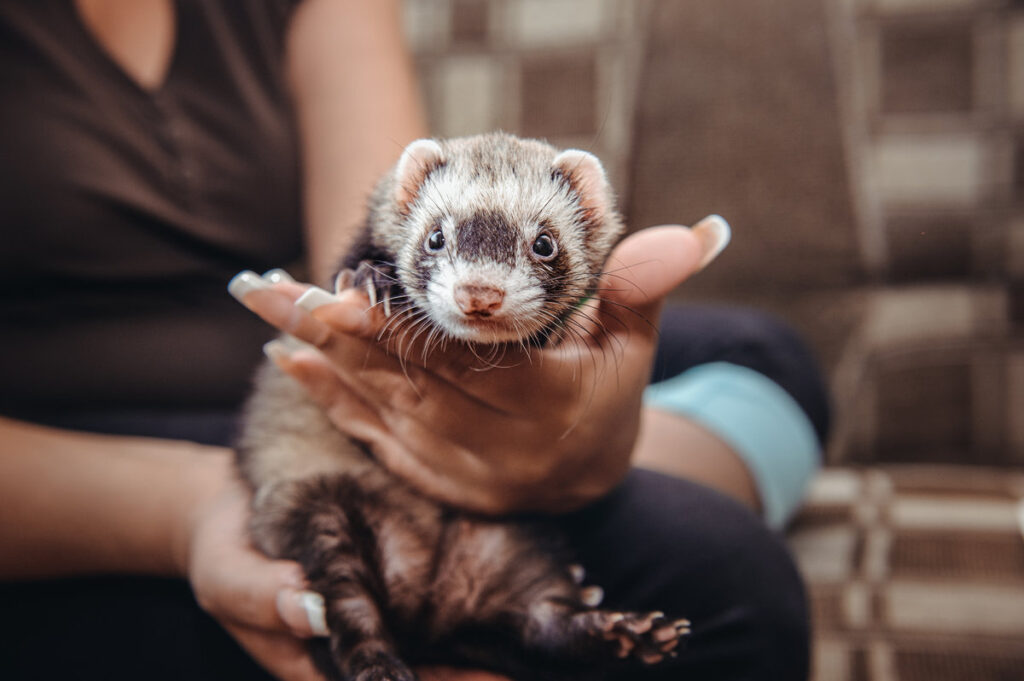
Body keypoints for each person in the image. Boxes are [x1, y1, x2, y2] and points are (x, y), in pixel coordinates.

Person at [0, 1, 829, 680]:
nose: (483, 280)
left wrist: (575, 419)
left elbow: (378, 238)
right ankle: (565, 475)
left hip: (301, 360)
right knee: (727, 578)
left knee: (764, 351)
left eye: (545, 246)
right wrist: (190, 511)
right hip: (79, 455)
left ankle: (572, 460)